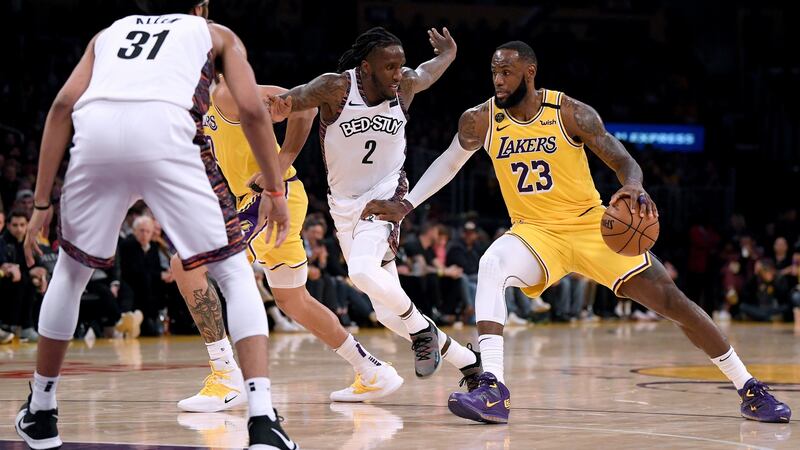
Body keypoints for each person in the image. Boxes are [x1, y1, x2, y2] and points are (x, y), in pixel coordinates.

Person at [362, 40, 791, 425]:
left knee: (674, 303)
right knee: (491, 261)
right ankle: (492, 387)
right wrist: (407, 204)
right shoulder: (481, 119)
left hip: (592, 227)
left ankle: (749, 388)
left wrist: (634, 185)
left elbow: (624, 161)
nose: (498, 79)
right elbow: (449, 163)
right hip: (534, 234)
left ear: (530, 71)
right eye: (494, 71)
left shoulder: (570, 112)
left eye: (507, 71)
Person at [15, 1, 297, 449]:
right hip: (169, 132)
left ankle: (42, 410)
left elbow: (62, 105)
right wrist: (276, 192)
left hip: (97, 132)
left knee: (69, 274)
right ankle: (263, 420)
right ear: (200, 7)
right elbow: (255, 111)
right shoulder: (217, 34)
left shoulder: (108, 32)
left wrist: (42, 202)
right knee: (232, 272)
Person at [173, 73, 402, 413]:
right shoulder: (196, 105)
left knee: (185, 263)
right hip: (267, 199)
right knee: (292, 299)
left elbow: (305, 105)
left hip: (269, 198)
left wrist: (278, 167)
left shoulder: (228, 93)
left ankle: (225, 376)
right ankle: (371, 370)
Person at [272, 26, 482, 384]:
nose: (399, 74)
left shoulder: (405, 88)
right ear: (366, 67)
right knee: (386, 312)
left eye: (401, 66)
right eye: (390, 67)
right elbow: (291, 102)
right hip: (343, 206)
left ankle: (421, 331)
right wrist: (264, 107)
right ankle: (468, 362)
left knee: (361, 272)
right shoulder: (336, 88)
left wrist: (448, 54)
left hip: (386, 198)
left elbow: (426, 72)